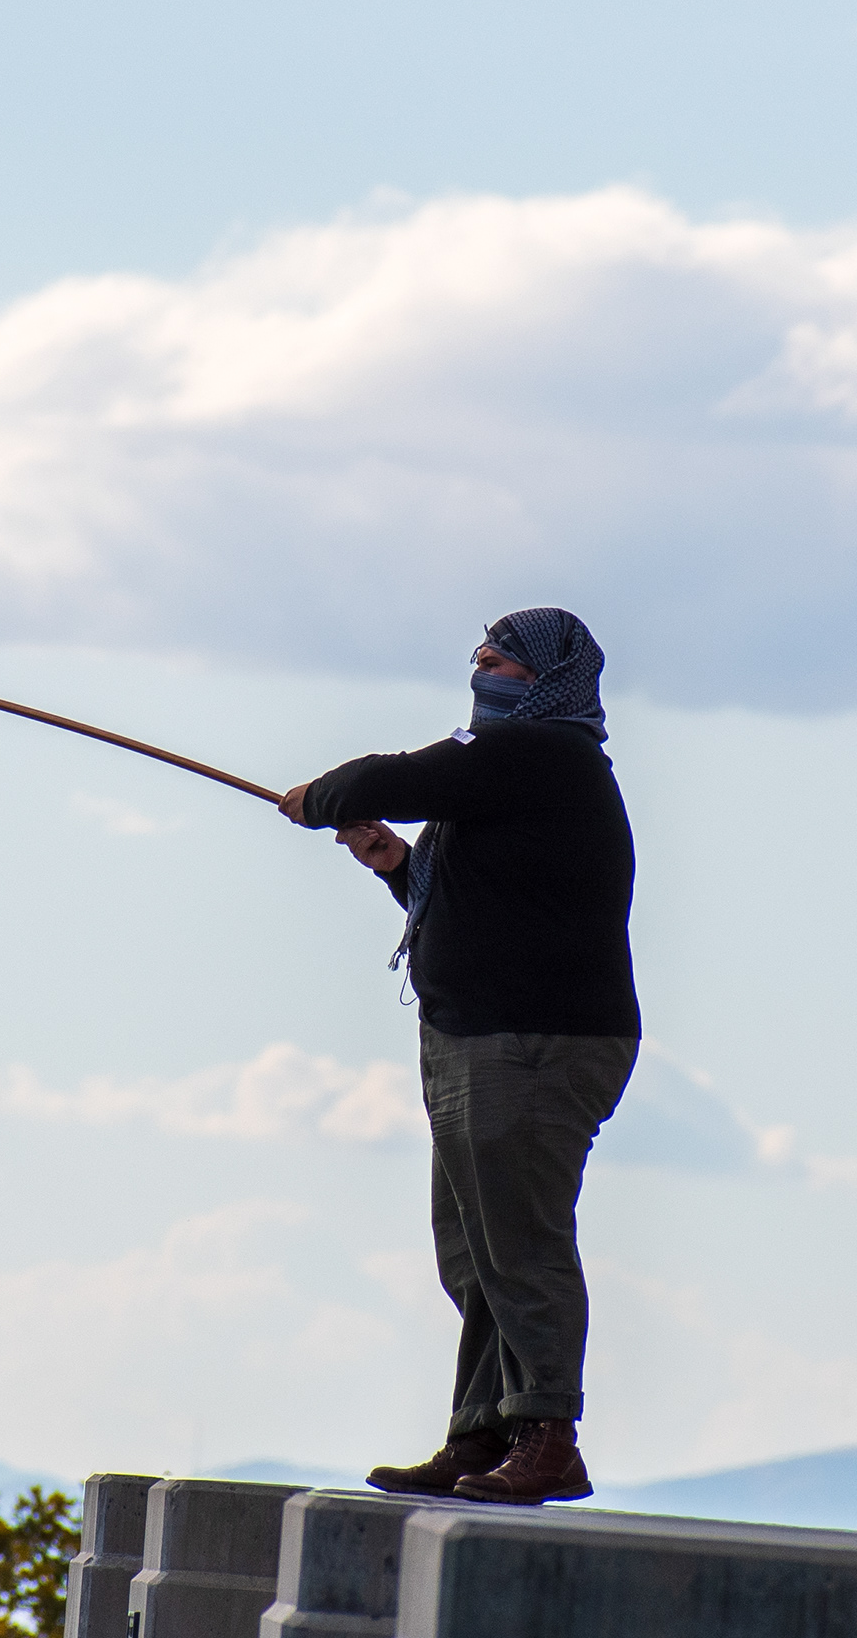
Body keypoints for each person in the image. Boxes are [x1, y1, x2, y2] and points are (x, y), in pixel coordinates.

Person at [273, 607, 639, 1507]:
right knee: (474, 1254)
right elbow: (476, 904)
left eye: (502, 658)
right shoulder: (511, 780)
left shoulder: (542, 756)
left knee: (521, 1245)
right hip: (480, 1040)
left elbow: (384, 775)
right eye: (481, 653)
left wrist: (325, 799)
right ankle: (483, 1434)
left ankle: (549, 1437)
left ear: (549, 681)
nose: (481, 665)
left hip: (535, 1045)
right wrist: (394, 862)